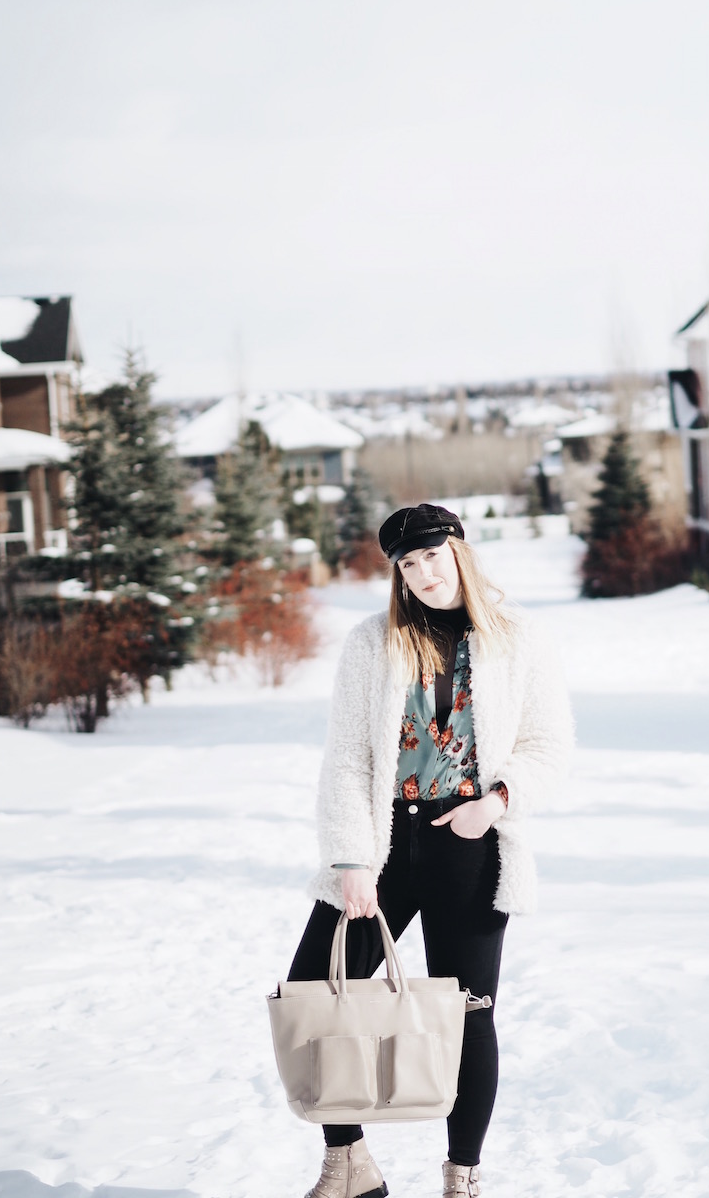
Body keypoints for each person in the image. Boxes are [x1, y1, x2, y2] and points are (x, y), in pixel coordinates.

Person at [287, 503, 574, 1198]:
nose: (422, 573)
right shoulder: (374, 643)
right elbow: (349, 760)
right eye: (408, 564)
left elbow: (549, 746)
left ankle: (462, 1176)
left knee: (469, 1011)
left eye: (432, 557)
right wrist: (352, 861)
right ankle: (349, 1163)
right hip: (384, 844)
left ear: (459, 553)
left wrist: (495, 803)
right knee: (313, 991)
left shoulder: (517, 639)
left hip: (468, 846)